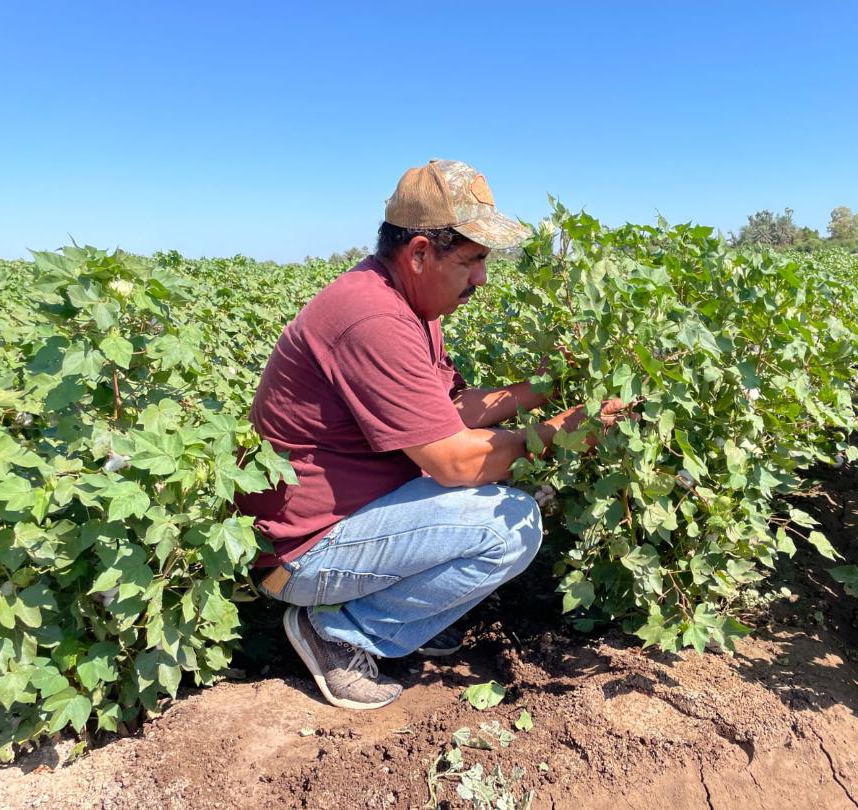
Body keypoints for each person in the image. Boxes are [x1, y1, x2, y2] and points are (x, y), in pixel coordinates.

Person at [236, 159, 621, 710]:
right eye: (473, 261)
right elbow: (455, 461)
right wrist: (553, 436)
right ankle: (340, 630)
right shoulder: (372, 319)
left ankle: (405, 614)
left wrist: (541, 385)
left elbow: (447, 412)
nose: (482, 279)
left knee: (509, 488)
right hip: (304, 551)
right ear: (419, 253)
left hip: (356, 516)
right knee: (511, 525)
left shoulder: (409, 303)